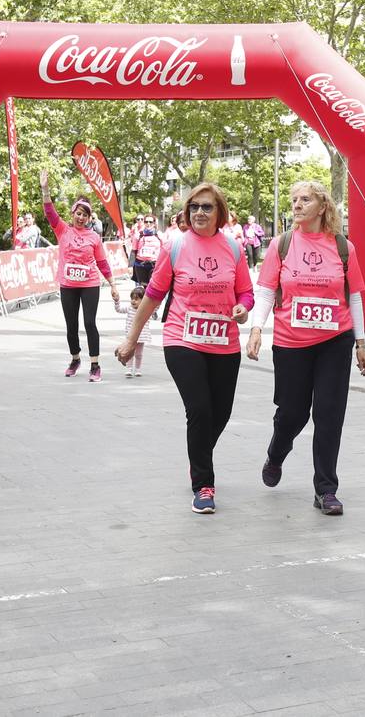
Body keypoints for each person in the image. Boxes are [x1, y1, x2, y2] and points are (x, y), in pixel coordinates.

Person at [114, 182, 252, 514]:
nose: (200, 213)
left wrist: (243, 308)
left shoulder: (233, 248)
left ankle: (197, 456)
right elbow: (153, 295)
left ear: (219, 212)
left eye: (207, 207)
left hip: (223, 341)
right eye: (194, 207)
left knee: (220, 413)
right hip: (183, 338)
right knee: (200, 410)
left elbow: (245, 292)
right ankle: (203, 484)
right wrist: (132, 339)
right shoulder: (175, 246)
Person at [246, 180, 365, 517]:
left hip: (335, 340)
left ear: (322, 206)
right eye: (294, 199)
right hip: (291, 342)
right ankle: (276, 452)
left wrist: (360, 343)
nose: (297, 205)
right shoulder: (281, 245)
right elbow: (266, 291)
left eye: (305, 199)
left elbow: (354, 295)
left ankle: (326, 490)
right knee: (293, 413)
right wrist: (257, 329)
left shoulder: (344, 247)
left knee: (329, 414)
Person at [41, 169, 120, 381]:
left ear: (89, 218)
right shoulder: (62, 230)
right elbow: (49, 211)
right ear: (73, 214)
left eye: (85, 215)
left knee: (89, 323)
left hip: (89, 284)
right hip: (68, 284)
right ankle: (75, 359)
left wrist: (112, 284)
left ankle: (95, 365)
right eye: (78, 213)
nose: (81, 217)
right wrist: (45, 189)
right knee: (71, 325)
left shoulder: (94, 237)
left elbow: (102, 262)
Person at [114, 285, 152, 377]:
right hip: (130, 336)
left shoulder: (146, 310)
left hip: (142, 336)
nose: (133, 301)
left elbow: (155, 307)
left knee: (139, 354)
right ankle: (129, 368)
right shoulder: (129, 308)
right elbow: (118, 310)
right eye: (132, 299)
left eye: (136, 299)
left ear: (143, 300)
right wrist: (116, 301)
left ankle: (138, 369)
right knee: (129, 353)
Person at [131, 214, 162, 286]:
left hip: (155, 265)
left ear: (154, 223)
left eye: (150, 222)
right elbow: (133, 251)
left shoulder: (160, 235)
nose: (148, 224)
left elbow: (165, 251)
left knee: (154, 287)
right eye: (146, 221)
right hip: (140, 265)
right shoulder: (138, 235)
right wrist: (130, 266)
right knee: (144, 288)